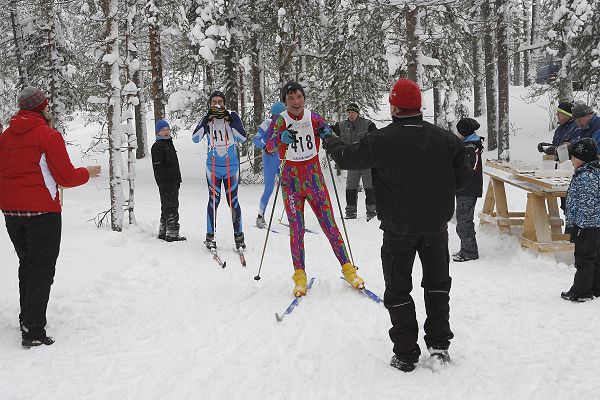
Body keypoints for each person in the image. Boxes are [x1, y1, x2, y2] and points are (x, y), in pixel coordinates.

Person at [322, 78, 472, 372]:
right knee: (437, 286)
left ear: (393, 106)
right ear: (419, 106)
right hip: (434, 227)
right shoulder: (445, 139)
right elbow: (464, 176)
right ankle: (439, 346)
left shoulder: (381, 140)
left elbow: (347, 157)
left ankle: (405, 354)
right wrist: (439, 193)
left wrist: (329, 138)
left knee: (398, 289)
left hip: (398, 229)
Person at [0, 86, 101, 348]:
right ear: (41, 108)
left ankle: (27, 317)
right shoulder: (48, 135)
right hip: (42, 212)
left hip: (11, 211)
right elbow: (66, 177)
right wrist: (87, 172)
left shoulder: (5, 137)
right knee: (42, 269)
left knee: (28, 264)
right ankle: (33, 330)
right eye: (45, 105)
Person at [265, 81, 364, 297]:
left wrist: (331, 141)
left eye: (299, 97)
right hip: (291, 184)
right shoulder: (281, 120)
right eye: (291, 98)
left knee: (330, 226)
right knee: (296, 230)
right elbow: (270, 146)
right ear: (285, 102)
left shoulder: (313, 117)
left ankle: (349, 269)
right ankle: (299, 276)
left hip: (314, 181)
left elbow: (327, 132)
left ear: (303, 98)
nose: (296, 102)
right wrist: (280, 138)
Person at [192, 91, 247, 251]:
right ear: (210, 104)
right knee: (213, 201)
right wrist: (205, 121)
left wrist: (230, 121)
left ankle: (239, 238)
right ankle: (210, 237)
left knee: (233, 202)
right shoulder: (207, 118)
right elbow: (195, 138)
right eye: (214, 102)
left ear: (224, 103)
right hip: (213, 168)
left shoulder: (232, 115)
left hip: (231, 169)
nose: (217, 105)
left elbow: (242, 138)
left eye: (220, 102)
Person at [562, 137, 600, 302]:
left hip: (587, 225)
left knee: (584, 257)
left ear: (583, 157)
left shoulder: (587, 176)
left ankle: (582, 291)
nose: (571, 160)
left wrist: (579, 226)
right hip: (593, 224)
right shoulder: (588, 172)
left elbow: (586, 204)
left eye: (574, 157)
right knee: (594, 256)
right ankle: (594, 287)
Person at [332, 103, 377, 220]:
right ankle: (350, 212)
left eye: (353, 112)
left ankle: (371, 212)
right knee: (351, 187)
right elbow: (330, 131)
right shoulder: (342, 125)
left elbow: (376, 137)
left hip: (367, 162)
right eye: (349, 113)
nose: (351, 115)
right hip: (352, 163)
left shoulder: (368, 124)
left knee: (369, 187)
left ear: (357, 113)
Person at [453, 117, 484, 262]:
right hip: (464, 188)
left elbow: (468, 168)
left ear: (463, 132)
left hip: (468, 189)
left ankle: (470, 251)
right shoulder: (467, 145)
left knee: (464, 221)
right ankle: (466, 248)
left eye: (458, 130)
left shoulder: (471, 147)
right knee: (462, 220)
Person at [253, 101, 285, 228]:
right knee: (269, 188)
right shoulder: (267, 123)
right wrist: (265, 147)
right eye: (277, 116)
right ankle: (260, 217)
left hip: (282, 159)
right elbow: (256, 139)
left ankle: (293, 215)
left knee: (288, 186)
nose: (278, 119)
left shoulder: (285, 123)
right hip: (270, 158)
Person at [151, 119, 185, 242]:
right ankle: (172, 233)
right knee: (171, 207)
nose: (165, 132)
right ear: (157, 132)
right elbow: (158, 167)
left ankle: (163, 231)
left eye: (167, 129)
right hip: (167, 182)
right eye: (162, 130)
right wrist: (164, 182)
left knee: (166, 206)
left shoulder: (168, 143)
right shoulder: (158, 146)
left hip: (174, 180)